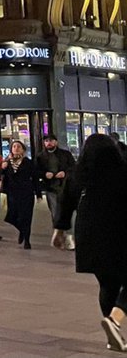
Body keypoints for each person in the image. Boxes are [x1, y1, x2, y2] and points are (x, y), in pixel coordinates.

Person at [53, 133, 127, 352]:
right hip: (119, 233)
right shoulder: (122, 172)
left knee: (107, 283)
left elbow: (64, 202)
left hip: (88, 236)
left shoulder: (77, 174)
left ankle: (113, 333)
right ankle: (114, 321)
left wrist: (59, 230)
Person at [37, 133, 76, 249]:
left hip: (64, 187)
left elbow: (73, 167)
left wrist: (65, 173)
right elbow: (36, 171)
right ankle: (61, 235)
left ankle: (68, 236)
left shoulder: (65, 155)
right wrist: (44, 174)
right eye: (46, 141)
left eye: (51, 141)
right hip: (50, 188)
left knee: (67, 212)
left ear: (56, 142)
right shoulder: (40, 157)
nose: (49, 143)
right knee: (55, 212)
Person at [2, 139, 41, 249]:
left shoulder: (28, 162)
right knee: (11, 216)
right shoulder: (7, 162)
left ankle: (27, 240)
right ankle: (22, 230)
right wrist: (2, 168)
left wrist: (38, 193)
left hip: (26, 193)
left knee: (26, 217)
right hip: (12, 193)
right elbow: (1, 176)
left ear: (23, 149)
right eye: (14, 146)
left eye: (18, 146)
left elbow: (35, 178)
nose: (16, 148)